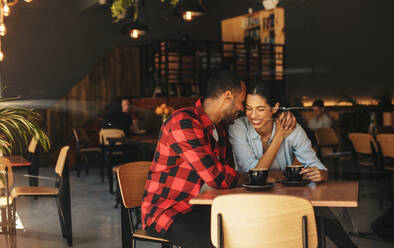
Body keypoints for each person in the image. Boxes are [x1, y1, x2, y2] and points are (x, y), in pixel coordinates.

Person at [228, 81, 357, 248]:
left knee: (313, 211)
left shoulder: (291, 127)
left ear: (274, 108)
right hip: (250, 200)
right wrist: (279, 137)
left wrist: (321, 174)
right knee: (312, 213)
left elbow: (316, 164)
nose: (253, 115)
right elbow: (254, 174)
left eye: (260, 109)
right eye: (249, 108)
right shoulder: (239, 127)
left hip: (284, 198)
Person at [141, 69, 250, 248]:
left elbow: (224, 176)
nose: (241, 108)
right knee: (220, 243)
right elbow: (217, 177)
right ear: (228, 97)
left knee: (246, 231)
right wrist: (245, 178)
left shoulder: (219, 130)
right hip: (167, 212)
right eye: (242, 101)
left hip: (199, 207)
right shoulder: (183, 122)